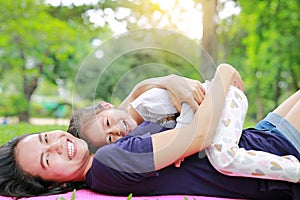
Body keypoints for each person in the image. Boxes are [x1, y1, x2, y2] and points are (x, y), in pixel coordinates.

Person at [0, 64, 299, 199]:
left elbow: (122, 113)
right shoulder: (108, 162)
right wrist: (223, 72)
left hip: (261, 136)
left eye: (45, 138)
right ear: (52, 186)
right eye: (46, 160)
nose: (56, 145)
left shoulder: (104, 154)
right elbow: (199, 136)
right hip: (276, 151)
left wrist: (165, 80)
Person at [67, 69, 300, 183]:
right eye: (110, 139)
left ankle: (294, 170)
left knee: (224, 158)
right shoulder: (134, 126)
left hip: (226, 98)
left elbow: (192, 105)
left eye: (108, 123)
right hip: (260, 129)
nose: (116, 131)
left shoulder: (147, 104)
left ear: (107, 105)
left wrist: (182, 137)